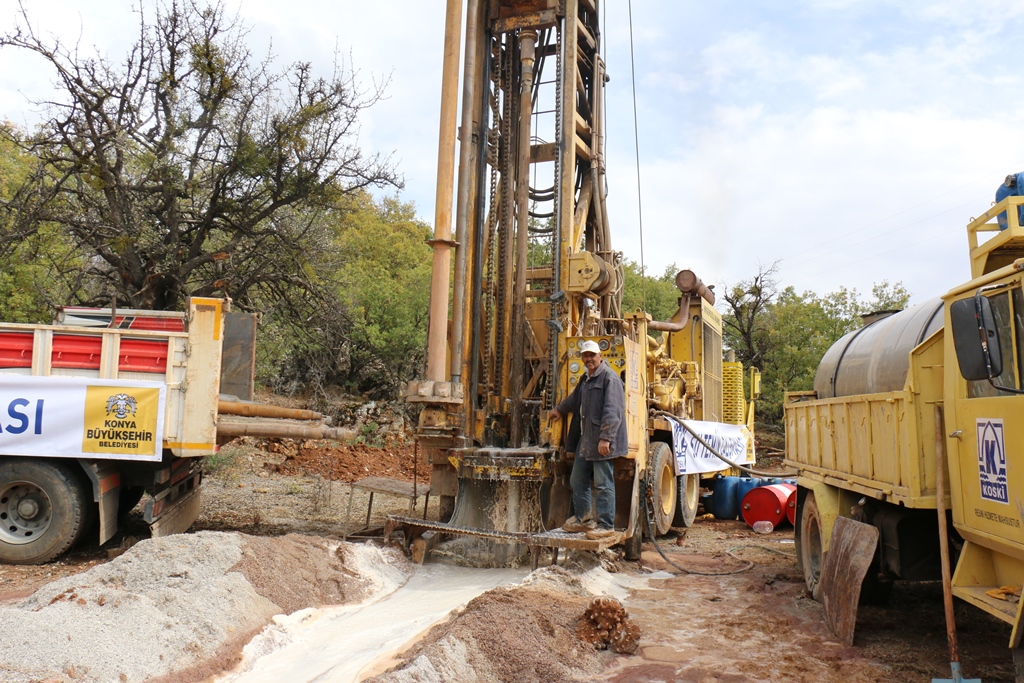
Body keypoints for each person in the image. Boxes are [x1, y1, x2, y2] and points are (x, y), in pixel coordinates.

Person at [547, 339, 627, 541]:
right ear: (582, 358)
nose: (589, 359)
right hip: (587, 439)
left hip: (600, 440)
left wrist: (605, 439)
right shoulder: (585, 379)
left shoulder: (610, 378)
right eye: (586, 355)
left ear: (600, 356)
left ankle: (606, 525)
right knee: (577, 479)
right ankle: (583, 520)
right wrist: (559, 410)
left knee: (603, 482)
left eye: (592, 355)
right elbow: (575, 400)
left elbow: (613, 411)